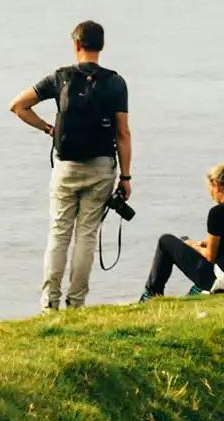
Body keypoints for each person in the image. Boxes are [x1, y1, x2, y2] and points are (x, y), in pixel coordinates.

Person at [8, 20, 132, 310]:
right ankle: (76, 303)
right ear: (101, 46)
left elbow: (18, 106)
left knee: (59, 233)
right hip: (102, 167)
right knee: (86, 235)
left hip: (66, 167)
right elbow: (123, 133)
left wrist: (47, 128)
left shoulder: (59, 78)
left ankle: (49, 303)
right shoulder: (116, 83)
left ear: (75, 44)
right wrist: (126, 177)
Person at [143, 163, 224, 299]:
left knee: (165, 241)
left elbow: (210, 256)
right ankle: (198, 289)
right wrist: (208, 243)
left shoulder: (217, 212)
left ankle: (151, 294)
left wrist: (194, 246)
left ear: (216, 185)